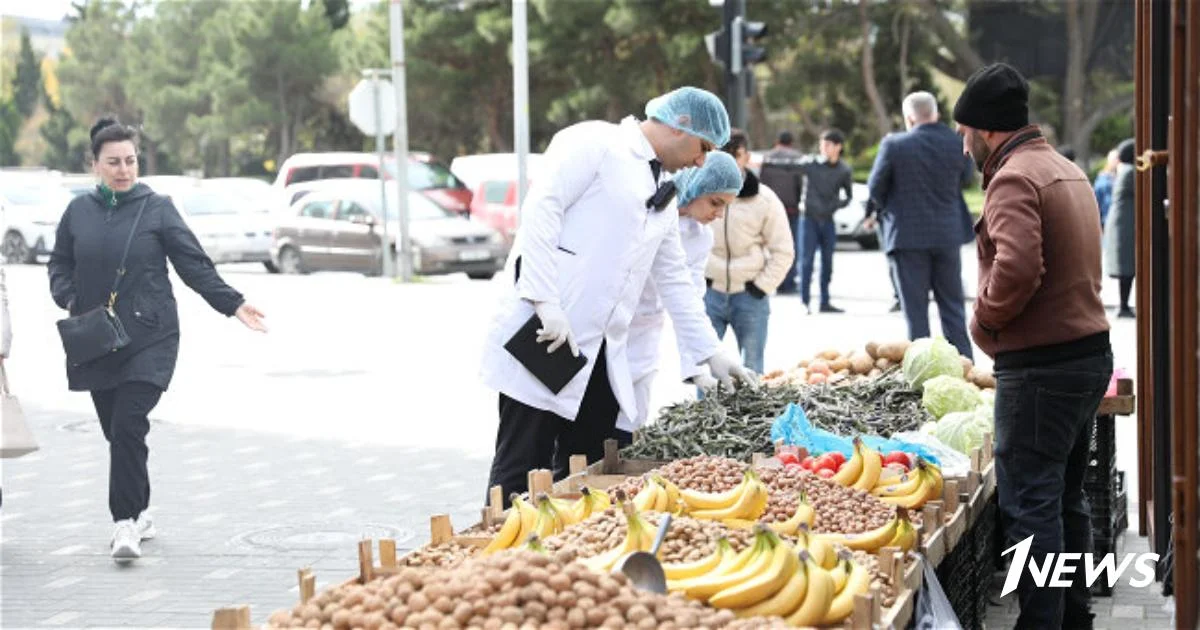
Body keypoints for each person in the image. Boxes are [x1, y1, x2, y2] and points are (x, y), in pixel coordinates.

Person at [479, 88, 756, 504]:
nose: (702, 161)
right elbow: (542, 211)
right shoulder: (595, 142)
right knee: (522, 468)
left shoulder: (664, 190)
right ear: (681, 124)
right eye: (703, 147)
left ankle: (569, 562)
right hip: (547, 337)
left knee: (588, 473)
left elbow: (675, 280)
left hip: (603, 354)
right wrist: (544, 301)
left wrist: (709, 351)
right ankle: (496, 558)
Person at [47, 118, 268, 562]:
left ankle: (124, 524)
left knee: (129, 423)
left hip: (151, 336)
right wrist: (71, 297)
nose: (124, 170)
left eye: (130, 161)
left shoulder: (157, 208)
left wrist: (233, 302)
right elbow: (59, 264)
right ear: (95, 165)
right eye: (113, 162)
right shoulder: (79, 212)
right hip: (97, 339)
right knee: (119, 433)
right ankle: (142, 511)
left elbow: (193, 264)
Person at [954, 63, 1112, 630]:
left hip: (1041, 368)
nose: (962, 142)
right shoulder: (1065, 168)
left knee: (1032, 505)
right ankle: (1073, 615)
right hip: (1086, 356)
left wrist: (984, 323)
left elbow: (1018, 269)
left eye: (964, 131)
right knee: (1066, 498)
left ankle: (1042, 623)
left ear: (986, 131)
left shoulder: (1013, 177)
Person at [618, 151, 744, 432]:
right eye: (715, 202)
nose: (719, 213)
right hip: (607, 333)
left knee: (627, 431)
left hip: (644, 340)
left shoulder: (701, 238)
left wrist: (699, 367)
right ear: (696, 187)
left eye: (725, 207)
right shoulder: (650, 214)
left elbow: (689, 299)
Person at [866, 91, 976, 359]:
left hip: (907, 237)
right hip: (947, 234)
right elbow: (968, 178)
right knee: (953, 309)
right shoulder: (956, 142)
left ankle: (923, 375)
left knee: (915, 314)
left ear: (909, 117)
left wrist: (889, 207)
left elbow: (875, 188)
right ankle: (966, 368)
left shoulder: (894, 145)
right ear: (935, 113)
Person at [704, 129, 795, 374]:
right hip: (709, 291)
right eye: (725, 153)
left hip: (749, 294)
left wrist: (761, 286)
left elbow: (783, 250)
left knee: (752, 368)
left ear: (747, 157)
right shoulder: (700, 193)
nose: (731, 160)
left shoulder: (765, 199)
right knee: (705, 368)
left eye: (737, 154)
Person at [797, 129, 853, 314]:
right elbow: (788, 167)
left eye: (828, 145)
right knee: (806, 261)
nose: (824, 148)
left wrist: (836, 205)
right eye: (822, 145)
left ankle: (825, 301)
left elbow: (848, 196)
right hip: (809, 220)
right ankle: (804, 302)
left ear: (838, 147)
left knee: (828, 263)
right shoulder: (810, 164)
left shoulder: (844, 169)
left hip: (828, 221)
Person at [757, 131, 805, 294]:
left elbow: (761, 182)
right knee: (789, 247)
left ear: (777, 141)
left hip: (770, 209)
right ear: (791, 142)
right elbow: (800, 184)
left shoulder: (768, 157)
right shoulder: (797, 157)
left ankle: (773, 282)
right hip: (791, 209)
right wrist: (797, 202)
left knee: (769, 246)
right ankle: (789, 283)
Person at [1103, 139, 1136, 318]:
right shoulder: (1130, 172)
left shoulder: (1124, 171)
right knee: (1126, 267)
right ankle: (1123, 306)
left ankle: (1124, 305)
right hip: (1125, 225)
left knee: (1126, 267)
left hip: (1123, 224)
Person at [1093, 148, 1119, 227]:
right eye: (1115, 159)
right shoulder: (1102, 180)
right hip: (1105, 221)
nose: (1117, 162)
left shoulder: (1119, 177)